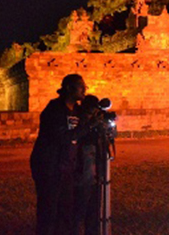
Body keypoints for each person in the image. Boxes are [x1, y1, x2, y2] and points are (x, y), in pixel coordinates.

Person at [30, 74, 89, 235]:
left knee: (66, 210)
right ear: (69, 88)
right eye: (81, 86)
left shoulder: (78, 110)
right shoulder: (54, 109)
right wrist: (87, 127)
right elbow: (62, 137)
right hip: (50, 167)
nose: (85, 89)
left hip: (67, 168)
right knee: (48, 210)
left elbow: (80, 138)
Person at [72, 95, 101, 235]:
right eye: (90, 113)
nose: (92, 116)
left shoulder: (95, 121)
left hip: (95, 173)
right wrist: (90, 124)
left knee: (94, 211)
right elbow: (75, 137)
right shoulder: (77, 120)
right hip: (82, 171)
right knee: (79, 209)